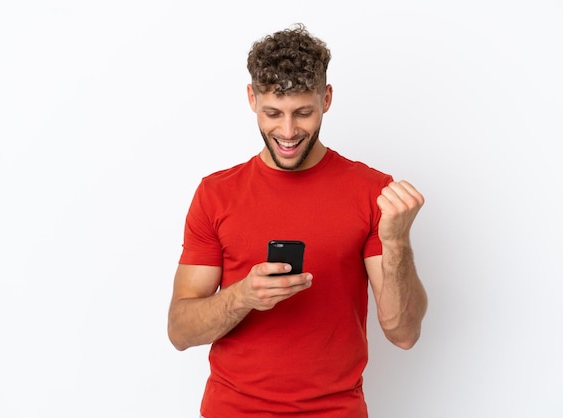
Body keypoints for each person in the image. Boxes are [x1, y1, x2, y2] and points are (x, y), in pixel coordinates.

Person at [167, 23, 428, 418]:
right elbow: (180, 332)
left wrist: (397, 243)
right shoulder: (215, 194)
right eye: (274, 113)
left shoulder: (372, 191)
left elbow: (404, 333)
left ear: (326, 98)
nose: (287, 132)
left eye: (303, 113)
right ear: (252, 98)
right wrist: (243, 296)